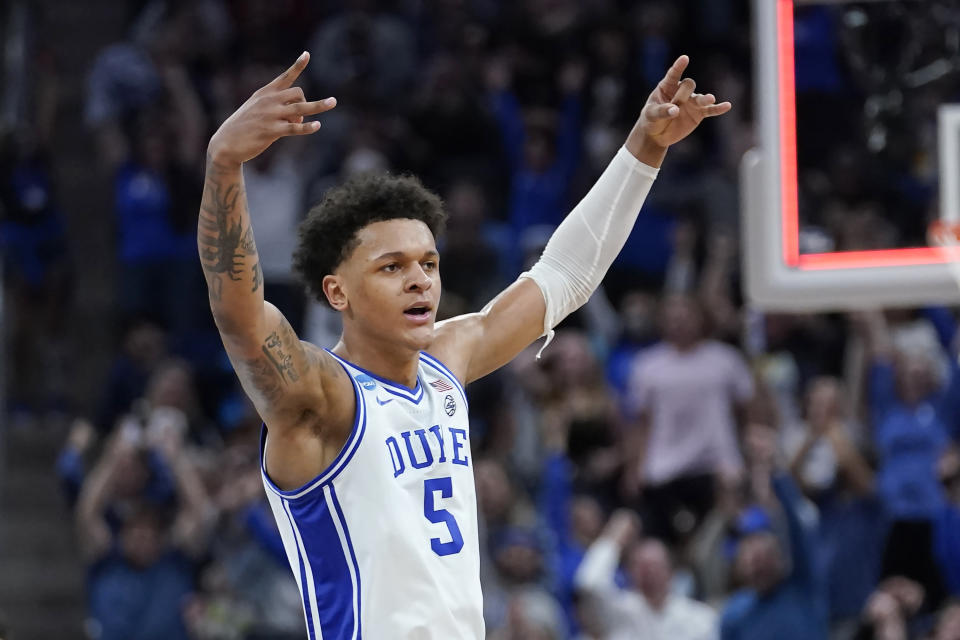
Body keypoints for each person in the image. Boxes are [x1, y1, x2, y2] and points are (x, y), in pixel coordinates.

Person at [197, 50, 730, 638]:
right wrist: (224, 164)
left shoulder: (448, 360)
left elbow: (564, 275)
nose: (420, 279)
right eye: (391, 267)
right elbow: (241, 317)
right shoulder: (322, 399)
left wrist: (645, 150)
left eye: (428, 262)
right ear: (337, 292)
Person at [574, 510, 718, 640]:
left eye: (655, 566)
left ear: (671, 571)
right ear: (630, 572)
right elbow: (590, 584)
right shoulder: (618, 612)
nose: (649, 573)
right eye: (641, 566)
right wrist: (614, 538)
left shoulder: (701, 619)